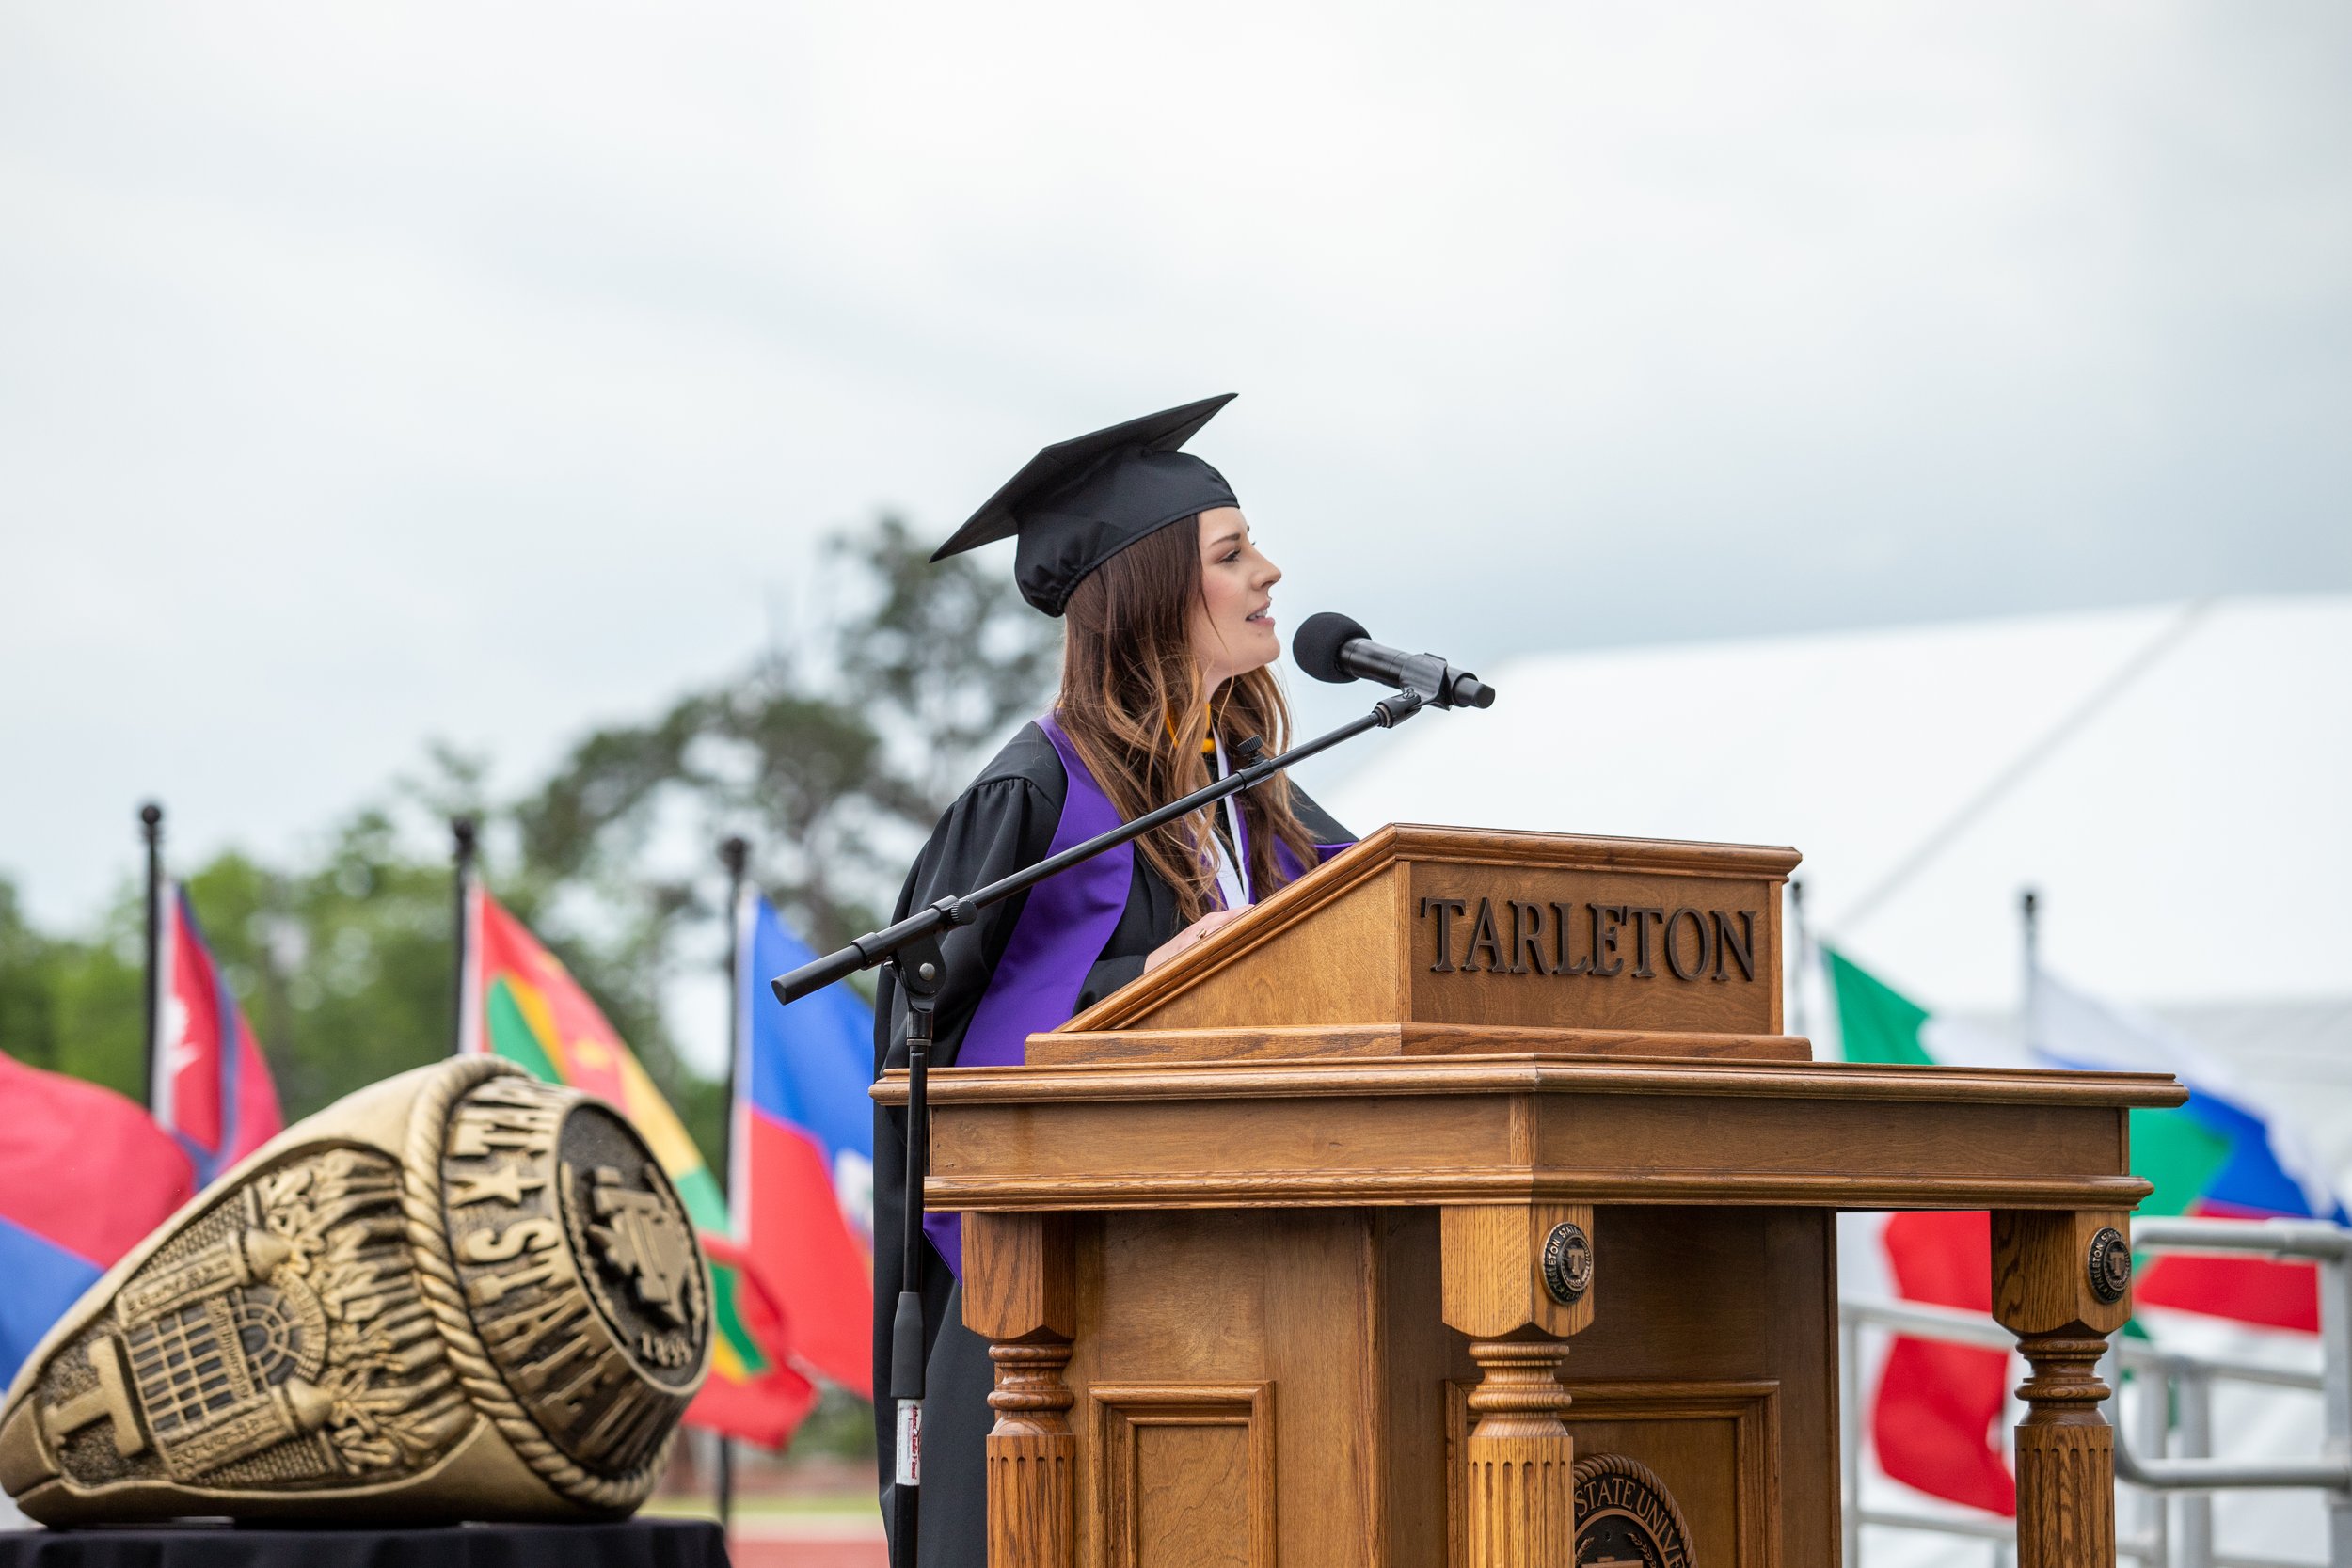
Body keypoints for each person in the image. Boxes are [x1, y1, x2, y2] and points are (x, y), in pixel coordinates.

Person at [870, 394, 1353, 1565]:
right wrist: (1143, 984)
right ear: (1147, 590)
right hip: (1046, 1317)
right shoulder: (1035, 796)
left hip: (1247, 1297)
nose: (1270, 573)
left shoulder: (1255, 793)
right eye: (1233, 554)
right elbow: (925, 1061)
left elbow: (1376, 923)